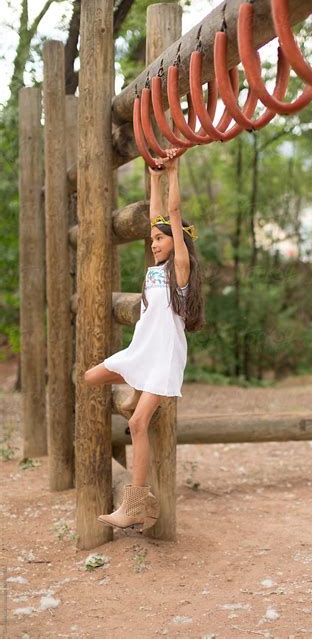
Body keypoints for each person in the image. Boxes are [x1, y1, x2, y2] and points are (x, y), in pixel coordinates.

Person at [83, 147, 205, 531]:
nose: (154, 242)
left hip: (164, 359)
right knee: (89, 377)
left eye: (161, 239)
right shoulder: (155, 270)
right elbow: (157, 217)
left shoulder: (179, 271)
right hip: (141, 353)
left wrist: (174, 170)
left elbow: (170, 214)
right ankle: (142, 500)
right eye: (152, 239)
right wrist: (152, 175)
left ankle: (136, 502)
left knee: (137, 423)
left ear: (177, 241)